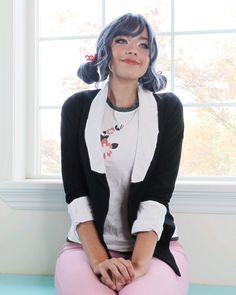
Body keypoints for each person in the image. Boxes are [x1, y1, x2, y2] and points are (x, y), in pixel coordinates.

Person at [55, 13, 189, 295]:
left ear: (150, 58)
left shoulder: (168, 110)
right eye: (122, 40)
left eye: (143, 45)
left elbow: (158, 193)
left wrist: (138, 266)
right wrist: (100, 260)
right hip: (87, 247)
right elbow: (76, 193)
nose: (132, 50)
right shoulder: (76, 107)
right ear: (105, 51)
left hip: (152, 248)